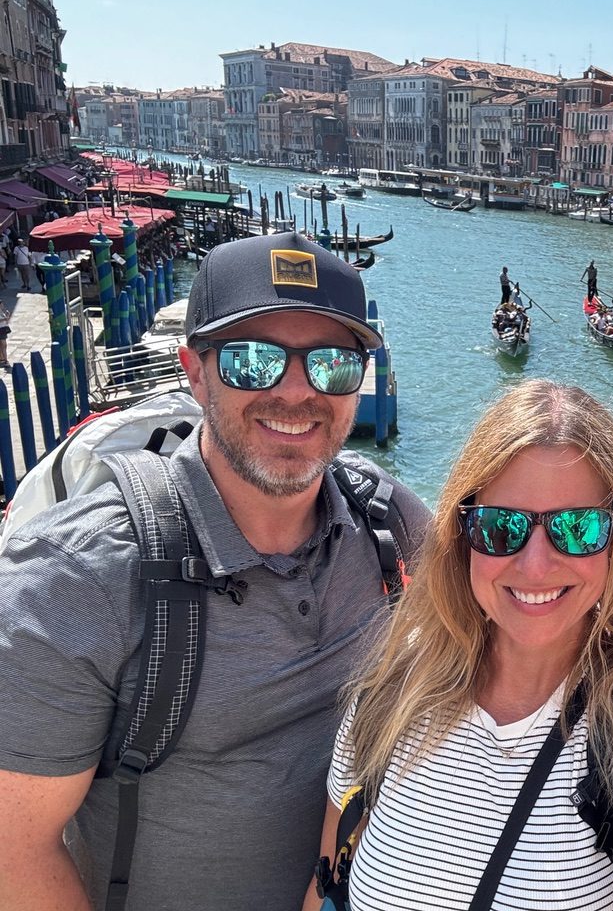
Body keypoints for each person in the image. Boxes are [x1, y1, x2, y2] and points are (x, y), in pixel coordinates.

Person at [0, 231, 431, 911]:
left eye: (333, 365)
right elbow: (15, 853)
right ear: (193, 372)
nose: (298, 392)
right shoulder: (76, 579)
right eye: (252, 361)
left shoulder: (386, 521)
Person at [309, 380, 613, 911]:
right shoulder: (391, 692)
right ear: (463, 536)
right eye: (501, 527)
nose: (535, 564)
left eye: (577, 528)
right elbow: (328, 879)